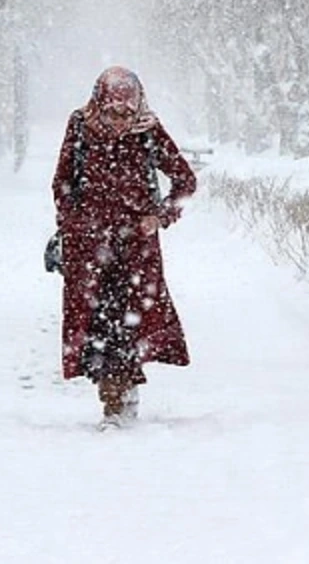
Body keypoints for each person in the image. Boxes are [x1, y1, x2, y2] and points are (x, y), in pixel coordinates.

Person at [51, 66, 197, 428]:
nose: (120, 120)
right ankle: (112, 397)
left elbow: (185, 181)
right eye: (113, 111)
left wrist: (159, 217)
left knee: (129, 322)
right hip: (89, 247)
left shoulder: (148, 131)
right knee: (97, 324)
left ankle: (120, 398)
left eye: (127, 112)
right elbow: (63, 181)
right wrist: (73, 223)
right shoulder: (81, 126)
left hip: (137, 250)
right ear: (100, 102)